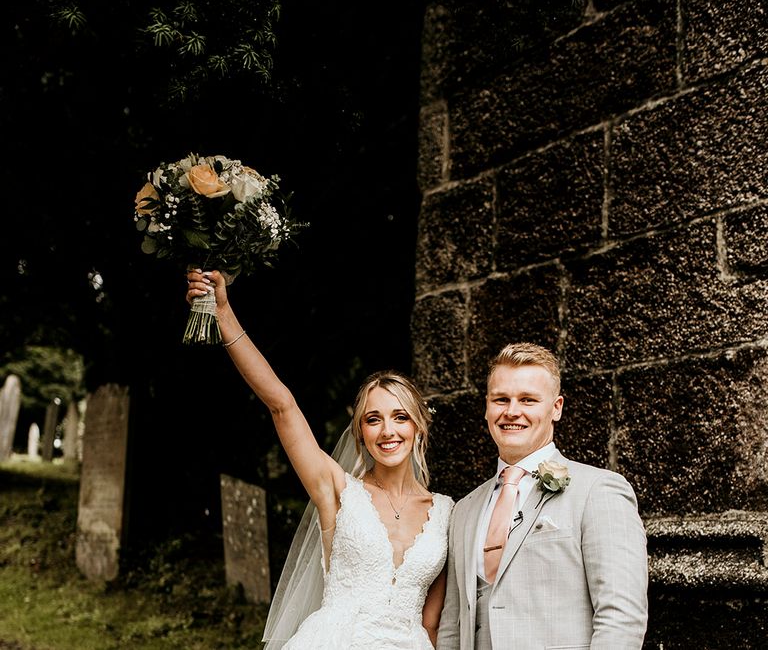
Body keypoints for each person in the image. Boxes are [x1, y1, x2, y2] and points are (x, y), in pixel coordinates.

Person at [185, 269, 454, 649]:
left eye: (400, 417)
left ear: (419, 427)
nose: (387, 431)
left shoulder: (445, 514)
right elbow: (282, 405)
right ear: (360, 432)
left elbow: (432, 624)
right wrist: (224, 314)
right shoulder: (339, 490)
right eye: (373, 419)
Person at [437, 343, 648, 650]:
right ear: (486, 407)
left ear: (556, 407)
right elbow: (451, 627)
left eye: (528, 400)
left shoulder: (599, 491)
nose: (512, 411)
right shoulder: (464, 510)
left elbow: (621, 618)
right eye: (501, 399)